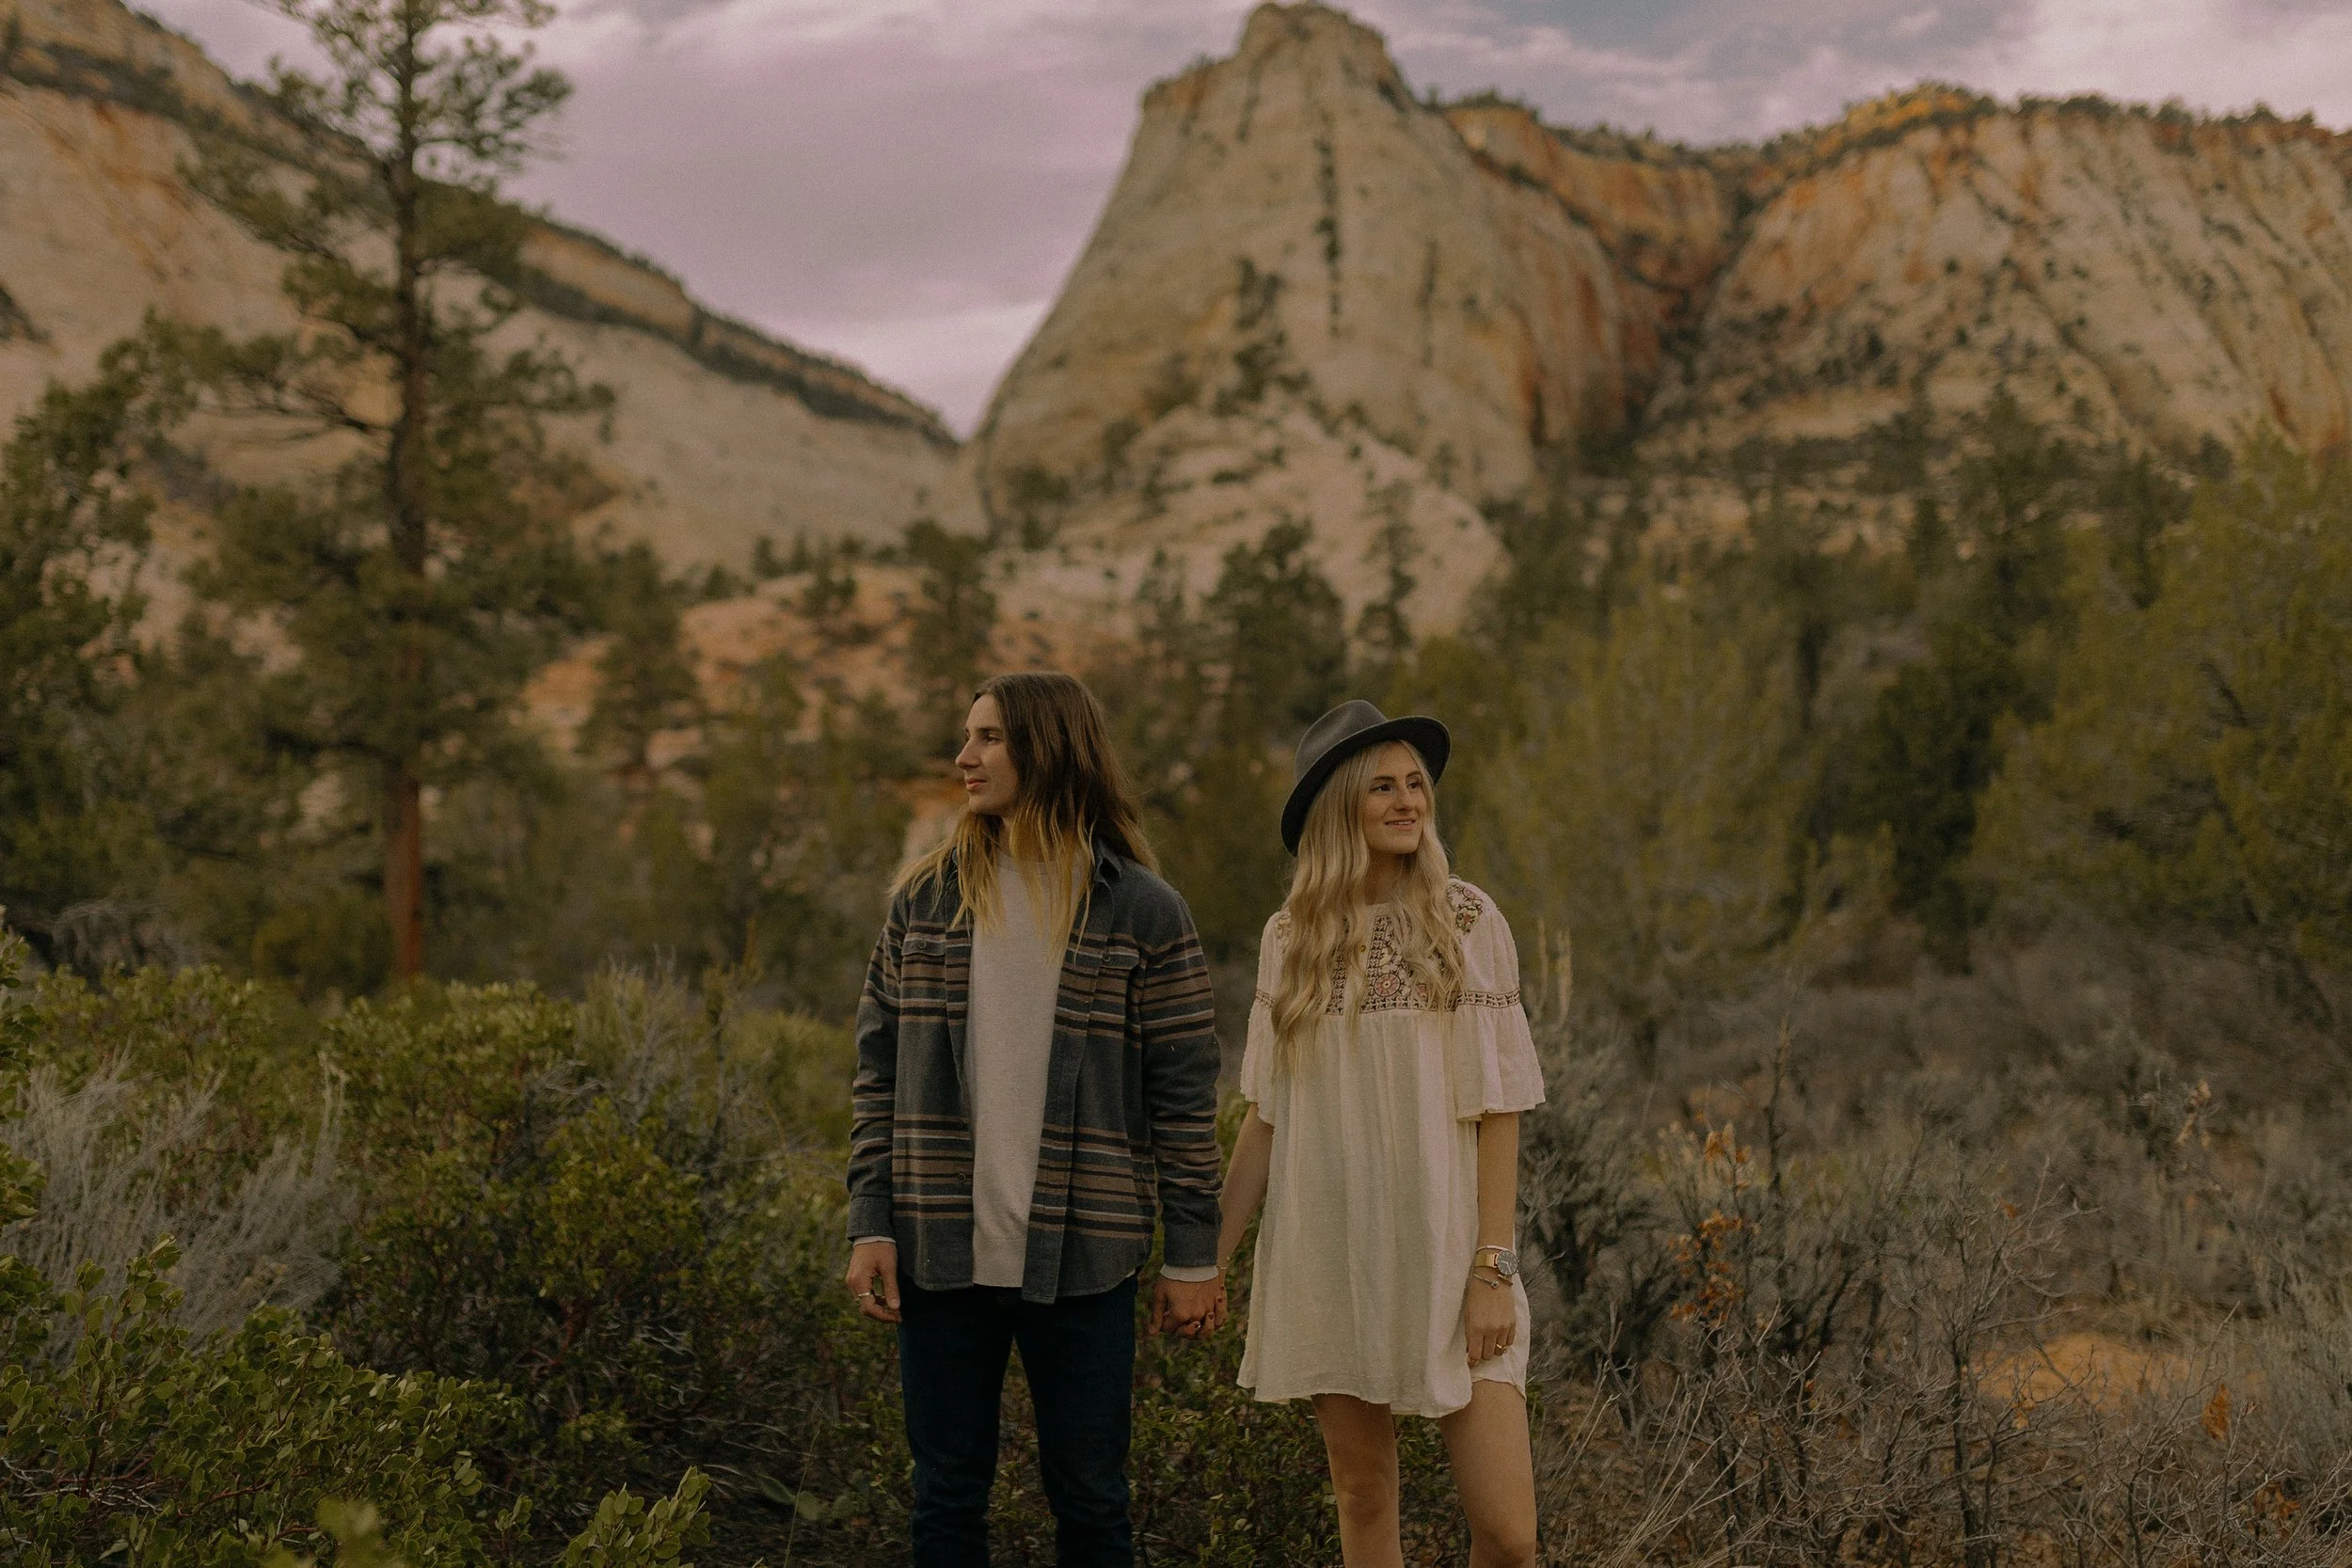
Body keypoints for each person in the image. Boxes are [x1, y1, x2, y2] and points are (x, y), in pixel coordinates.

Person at [844, 671, 1226, 1567]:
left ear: (1049, 748)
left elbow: (1183, 1093)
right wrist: (871, 1221)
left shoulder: (1143, 909)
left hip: (1087, 1254)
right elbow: (876, 1072)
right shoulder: (926, 900)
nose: (963, 757)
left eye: (988, 738)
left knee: (1092, 1502)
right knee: (945, 1499)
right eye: (966, 735)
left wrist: (1193, 1255)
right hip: (941, 1249)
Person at [1214, 698, 1546, 1568]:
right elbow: (1267, 1116)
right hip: (1334, 1256)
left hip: (1454, 1258)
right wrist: (1206, 1260)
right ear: (1338, 807)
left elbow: (1501, 1103)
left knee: (1510, 1536)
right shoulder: (1290, 938)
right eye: (1383, 787)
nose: (1408, 801)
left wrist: (1493, 1267)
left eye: (1415, 783)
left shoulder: (1465, 920)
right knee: (1364, 1499)